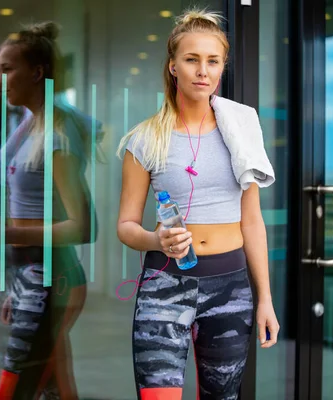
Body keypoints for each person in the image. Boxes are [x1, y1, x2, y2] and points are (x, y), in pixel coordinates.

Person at [116, 8, 279, 400]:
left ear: (222, 67)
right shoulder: (144, 139)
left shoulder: (241, 132)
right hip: (164, 284)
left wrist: (265, 300)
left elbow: (252, 222)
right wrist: (157, 242)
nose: (202, 71)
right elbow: (126, 225)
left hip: (231, 287)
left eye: (213, 61)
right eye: (192, 59)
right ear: (173, 66)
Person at [0, 21, 102, 400]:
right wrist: (17, 286)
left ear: (37, 72)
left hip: (52, 277)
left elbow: (83, 226)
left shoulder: (57, 136)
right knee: (52, 387)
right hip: (32, 274)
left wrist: (4, 234)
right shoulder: (29, 126)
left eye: (7, 69)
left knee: (14, 388)